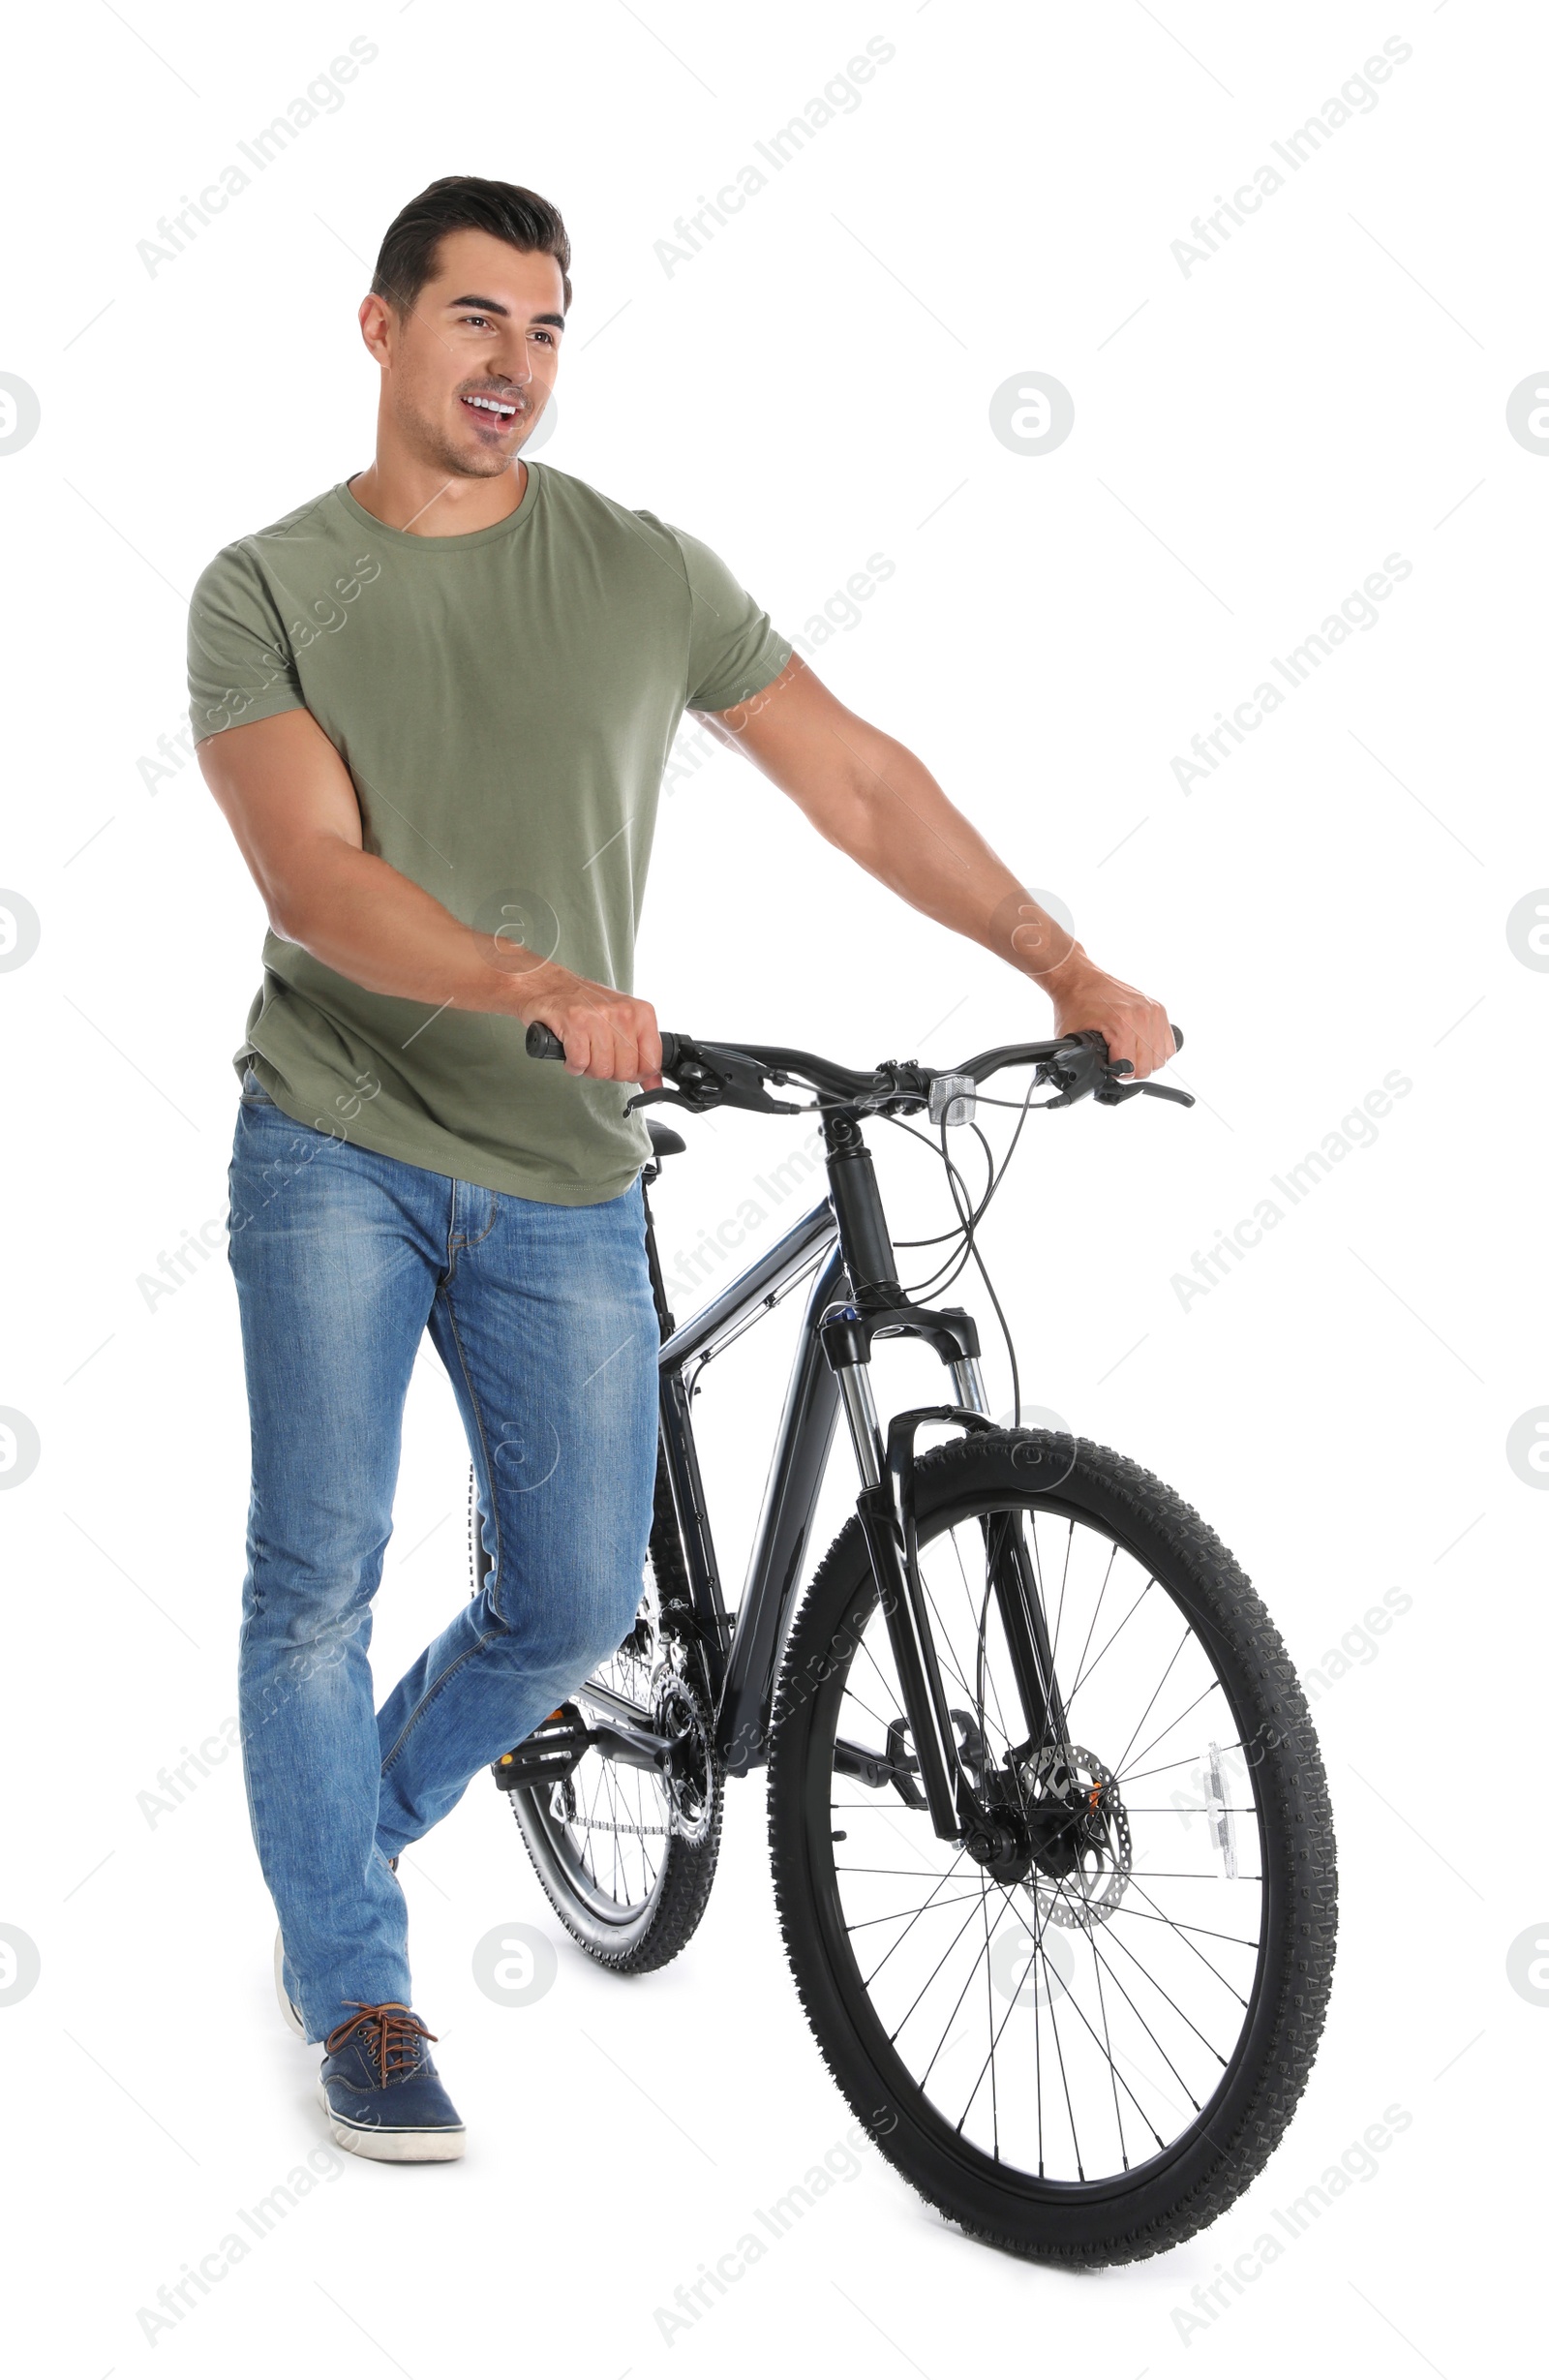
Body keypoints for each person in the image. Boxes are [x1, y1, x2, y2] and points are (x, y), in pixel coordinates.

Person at [189, 174, 1174, 2163]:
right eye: (476, 319)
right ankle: (356, 1981)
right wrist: (524, 978)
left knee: (561, 1606)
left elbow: (858, 778)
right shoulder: (267, 585)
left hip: (557, 1158)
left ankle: (333, 1818)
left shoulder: (637, 572)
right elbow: (310, 873)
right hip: (336, 1138)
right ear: (380, 330)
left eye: (547, 330)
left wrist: (1057, 962)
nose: (514, 365)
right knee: (318, 1574)